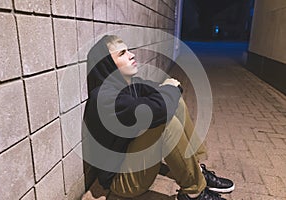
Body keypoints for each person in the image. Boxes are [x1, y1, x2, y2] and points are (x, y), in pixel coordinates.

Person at [83, 35, 234, 200]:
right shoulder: (106, 98)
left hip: (132, 159)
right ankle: (194, 192)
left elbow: (165, 94)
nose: (132, 55)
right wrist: (169, 89)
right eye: (122, 54)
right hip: (121, 181)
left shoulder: (130, 85)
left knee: (175, 103)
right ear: (108, 66)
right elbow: (160, 108)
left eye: (128, 51)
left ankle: (196, 170)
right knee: (165, 123)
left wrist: (169, 90)